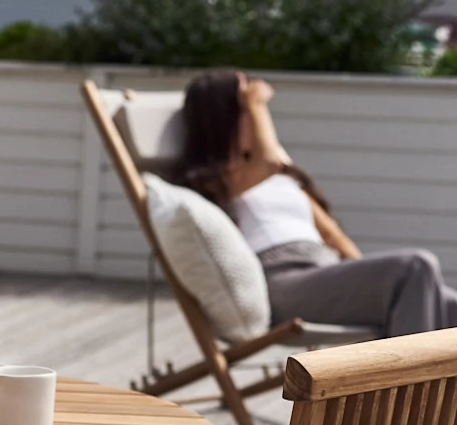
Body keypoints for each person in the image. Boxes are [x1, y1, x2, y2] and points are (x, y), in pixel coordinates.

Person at [175, 68, 457, 338]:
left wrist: (369, 280)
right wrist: (256, 103)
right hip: (283, 283)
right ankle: (414, 387)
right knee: (415, 265)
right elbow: (271, 161)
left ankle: (424, 384)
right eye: (244, 106)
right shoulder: (212, 180)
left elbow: (332, 234)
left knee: (449, 304)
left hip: (327, 272)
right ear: (224, 117)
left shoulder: (281, 178)